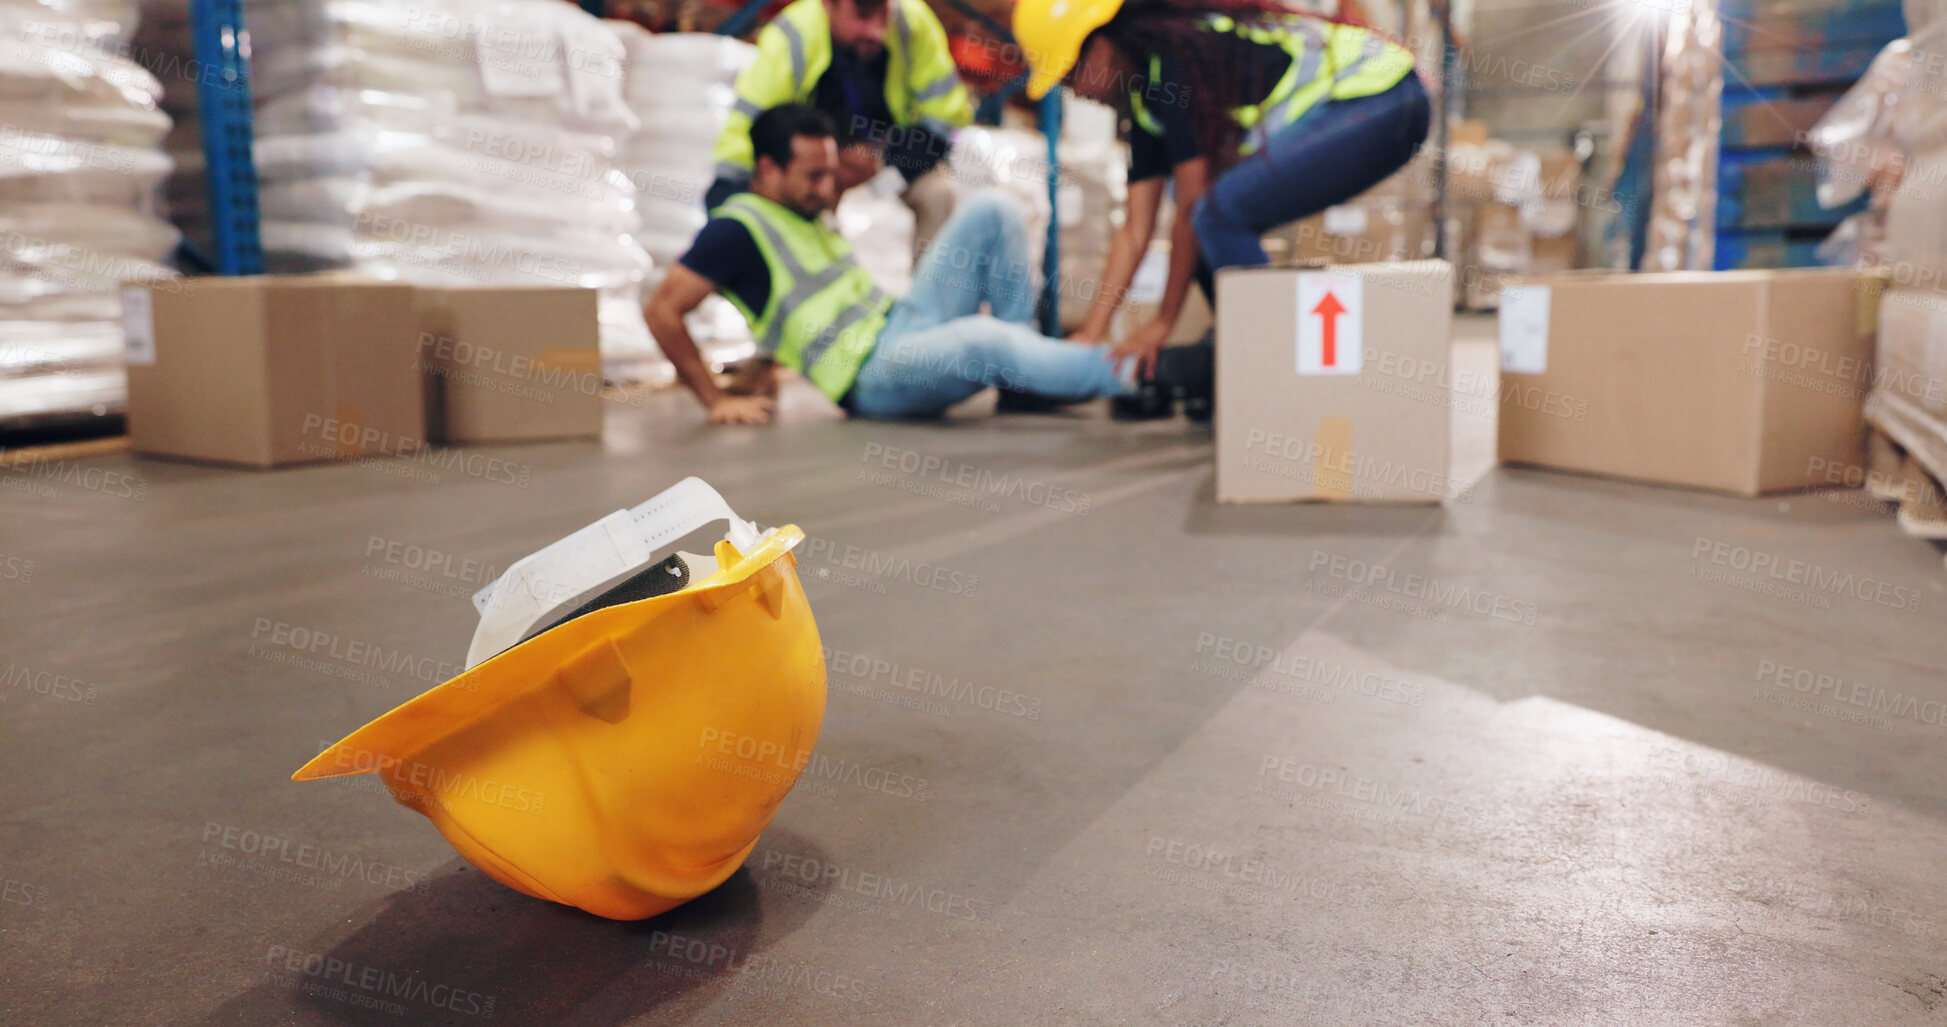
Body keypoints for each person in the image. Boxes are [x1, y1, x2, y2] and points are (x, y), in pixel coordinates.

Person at [649, 104, 1204, 425]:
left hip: (899, 326)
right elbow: (661, 310)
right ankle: (1145, 373)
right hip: (872, 378)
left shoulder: (801, 207)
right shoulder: (734, 229)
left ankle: (1026, 375)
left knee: (993, 209)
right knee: (982, 340)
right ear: (766, 169)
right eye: (812, 175)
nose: (828, 185)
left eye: (829, 172)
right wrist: (715, 399)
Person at [1013, 0, 1430, 388]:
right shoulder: (1146, 104)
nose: (1077, 92)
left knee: (1215, 215)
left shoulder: (1178, 63)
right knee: (1207, 233)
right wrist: (1091, 332)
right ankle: (1247, 356)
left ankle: (1275, 374)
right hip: (1373, 104)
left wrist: (1161, 324)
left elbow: (1196, 206)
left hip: (1383, 96)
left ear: (1102, 44)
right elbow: (1134, 232)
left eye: (1071, 73)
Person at [707, 0, 973, 258]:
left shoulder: (913, 20)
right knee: (797, 201)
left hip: (894, 155)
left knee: (940, 193)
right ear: (828, 4)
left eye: (883, 14)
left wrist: (898, 167)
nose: (875, 30)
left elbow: (947, 111)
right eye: (862, 15)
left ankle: (924, 299)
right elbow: (753, 121)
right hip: (822, 159)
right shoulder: (795, 33)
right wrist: (730, 187)